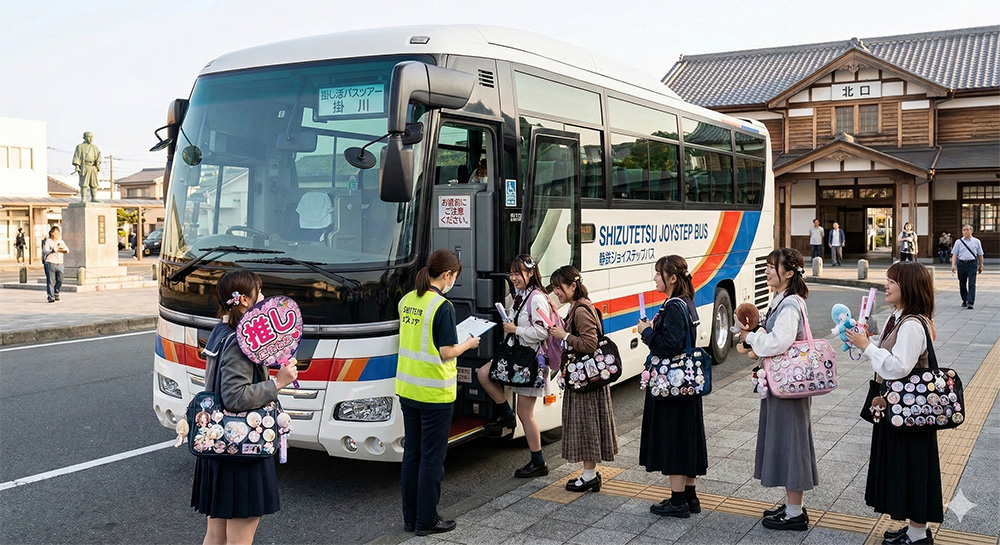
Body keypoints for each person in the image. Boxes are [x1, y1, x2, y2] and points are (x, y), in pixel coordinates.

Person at [191, 269, 299, 545]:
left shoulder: (221, 330)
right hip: (242, 450)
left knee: (216, 536)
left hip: (220, 447)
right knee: (239, 539)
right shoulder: (241, 342)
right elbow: (234, 397)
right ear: (245, 301)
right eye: (259, 293)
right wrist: (277, 383)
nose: (263, 298)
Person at [845, 262, 941, 545]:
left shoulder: (912, 324)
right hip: (900, 409)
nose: (886, 285)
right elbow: (888, 354)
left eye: (891, 281)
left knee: (913, 468)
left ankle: (917, 535)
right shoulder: (900, 318)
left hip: (908, 411)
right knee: (906, 467)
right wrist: (866, 343)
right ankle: (914, 529)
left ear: (907, 287)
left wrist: (868, 347)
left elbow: (899, 367)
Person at [396, 249, 480, 536]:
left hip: (407, 389)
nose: (454, 280)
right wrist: (468, 344)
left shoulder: (406, 300)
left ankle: (410, 519)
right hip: (434, 393)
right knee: (432, 459)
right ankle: (427, 520)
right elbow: (446, 352)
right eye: (455, 276)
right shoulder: (442, 306)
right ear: (447, 275)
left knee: (412, 455)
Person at [736, 248, 819, 532]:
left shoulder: (790, 304)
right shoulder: (781, 299)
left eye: (773, 266)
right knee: (786, 441)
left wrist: (753, 336)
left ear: (789, 272)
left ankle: (795, 512)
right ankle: (792, 505)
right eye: (768, 266)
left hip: (788, 387)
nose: (768, 271)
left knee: (792, 444)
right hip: (783, 384)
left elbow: (777, 343)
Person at [637, 255, 708, 517]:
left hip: (673, 387)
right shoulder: (685, 302)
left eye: (658, 274)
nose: (655, 278)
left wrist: (646, 332)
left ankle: (678, 501)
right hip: (685, 386)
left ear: (672, 278)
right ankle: (690, 497)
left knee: (675, 438)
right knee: (687, 438)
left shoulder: (674, 307)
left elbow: (669, 345)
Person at [477, 254, 553, 478]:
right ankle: (505, 413)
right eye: (511, 273)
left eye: (518, 273)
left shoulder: (537, 298)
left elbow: (542, 332)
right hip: (517, 357)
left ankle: (538, 461)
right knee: (484, 374)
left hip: (530, 361)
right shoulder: (521, 295)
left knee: (526, 413)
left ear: (531, 273)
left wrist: (515, 330)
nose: (514, 277)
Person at [547, 266, 618, 493]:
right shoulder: (580, 306)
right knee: (588, 426)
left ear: (573, 286)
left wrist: (564, 335)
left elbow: (590, 343)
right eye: (554, 287)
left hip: (586, 383)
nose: (556, 291)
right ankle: (590, 474)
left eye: (559, 287)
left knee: (587, 426)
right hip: (588, 380)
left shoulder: (580, 310)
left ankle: (589, 477)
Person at [950, 224, 985, 310]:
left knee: (972, 283)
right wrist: (953, 265)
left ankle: (970, 302)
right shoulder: (958, 242)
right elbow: (955, 254)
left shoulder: (976, 241)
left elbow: (980, 255)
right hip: (961, 264)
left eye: (967, 230)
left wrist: (981, 265)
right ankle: (964, 299)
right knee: (962, 283)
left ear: (971, 231)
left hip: (972, 264)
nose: (965, 232)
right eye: (964, 230)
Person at [41, 226, 69, 303]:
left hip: (59, 263)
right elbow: (45, 251)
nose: (57, 234)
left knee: (60, 279)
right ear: (51, 233)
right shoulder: (48, 241)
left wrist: (58, 249)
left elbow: (67, 250)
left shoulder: (61, 241)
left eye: (58, 232)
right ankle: (51, 296)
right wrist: (53, 250)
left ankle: (56, 292)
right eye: (55, 232)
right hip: (50, 263)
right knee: (50, 280)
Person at [72, 131, 102, 203]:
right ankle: (83, 199)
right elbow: (77, 156)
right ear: (84, 137)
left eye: (92, 137)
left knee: (94, 183)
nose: (90, 138)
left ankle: (94, 198)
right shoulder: (80, 147)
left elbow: (99, 156)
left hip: (93, 166)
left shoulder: (95, 147)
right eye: (88, 137)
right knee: (84, 183)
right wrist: (77, 166)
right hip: (84, 166)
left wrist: (98, 161)